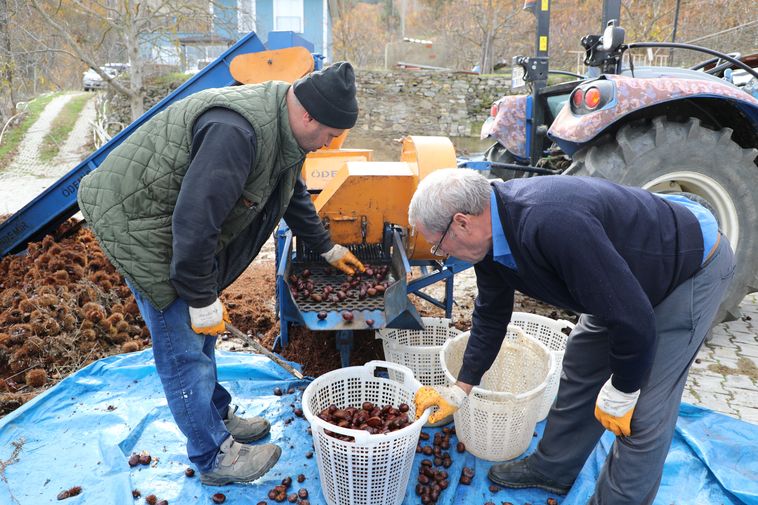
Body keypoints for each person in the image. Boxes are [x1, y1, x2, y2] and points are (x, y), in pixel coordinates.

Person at [77, 62, 365, 486]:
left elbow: (290, 189)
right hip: (141, 222)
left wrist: (325, 246)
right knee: (183, 342)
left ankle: (216, 414)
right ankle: (212, 455)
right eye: (329, 135)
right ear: (307, 116)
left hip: (176, 221)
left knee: (205, 330)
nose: (328, 144)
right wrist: (198, 296)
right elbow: (194, 222)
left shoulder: (285, 127)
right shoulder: (238, 132)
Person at [411, 169, 734, 504]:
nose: (443, 253)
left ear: (462, 222)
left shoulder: (551, 222)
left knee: (643, 411)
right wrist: (460, 389)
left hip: (686, 268)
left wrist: (623, 390)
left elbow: (634, 320)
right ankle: (553, 469)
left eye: (439, 244)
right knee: (582, 358)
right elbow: (491, 317)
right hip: (620, 283)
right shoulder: (490, 242)